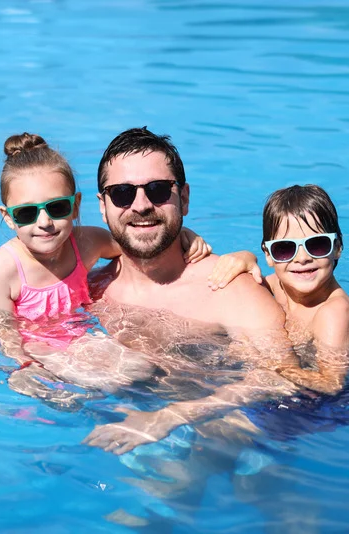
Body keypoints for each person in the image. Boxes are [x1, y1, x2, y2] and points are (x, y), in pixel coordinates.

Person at [82, 127, 300, 455]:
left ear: (183, 198)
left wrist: (168, 418)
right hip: (129, 426)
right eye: (122, 193)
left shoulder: (227, 289)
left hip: (234, 441)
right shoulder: (90, 290)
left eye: (157, 190)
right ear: (103, 206)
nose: (140, 205)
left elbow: (281, 378)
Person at [0, 132, 211, 394]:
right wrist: (25, 364)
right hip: (36, 350)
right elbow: (4, 334)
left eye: (57, 208)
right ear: (8, 217)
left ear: (76, 205)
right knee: (107, 386)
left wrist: (182, 236)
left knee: (144, 369)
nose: (44, 222)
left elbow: (136, 245)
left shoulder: (86, 243)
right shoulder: (3, 270)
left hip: (81, 336)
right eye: (26, 213)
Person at [206, 185, 349, 395]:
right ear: (268, 255)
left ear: (337, 248)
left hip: (326, 409)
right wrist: (244, 256)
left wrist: (269, 363)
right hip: (287, 391)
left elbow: (332, 385)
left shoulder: (334, 312)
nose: (302, 258)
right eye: (285, 249)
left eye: (317, 245)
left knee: (220, 420)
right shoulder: (274, 287)